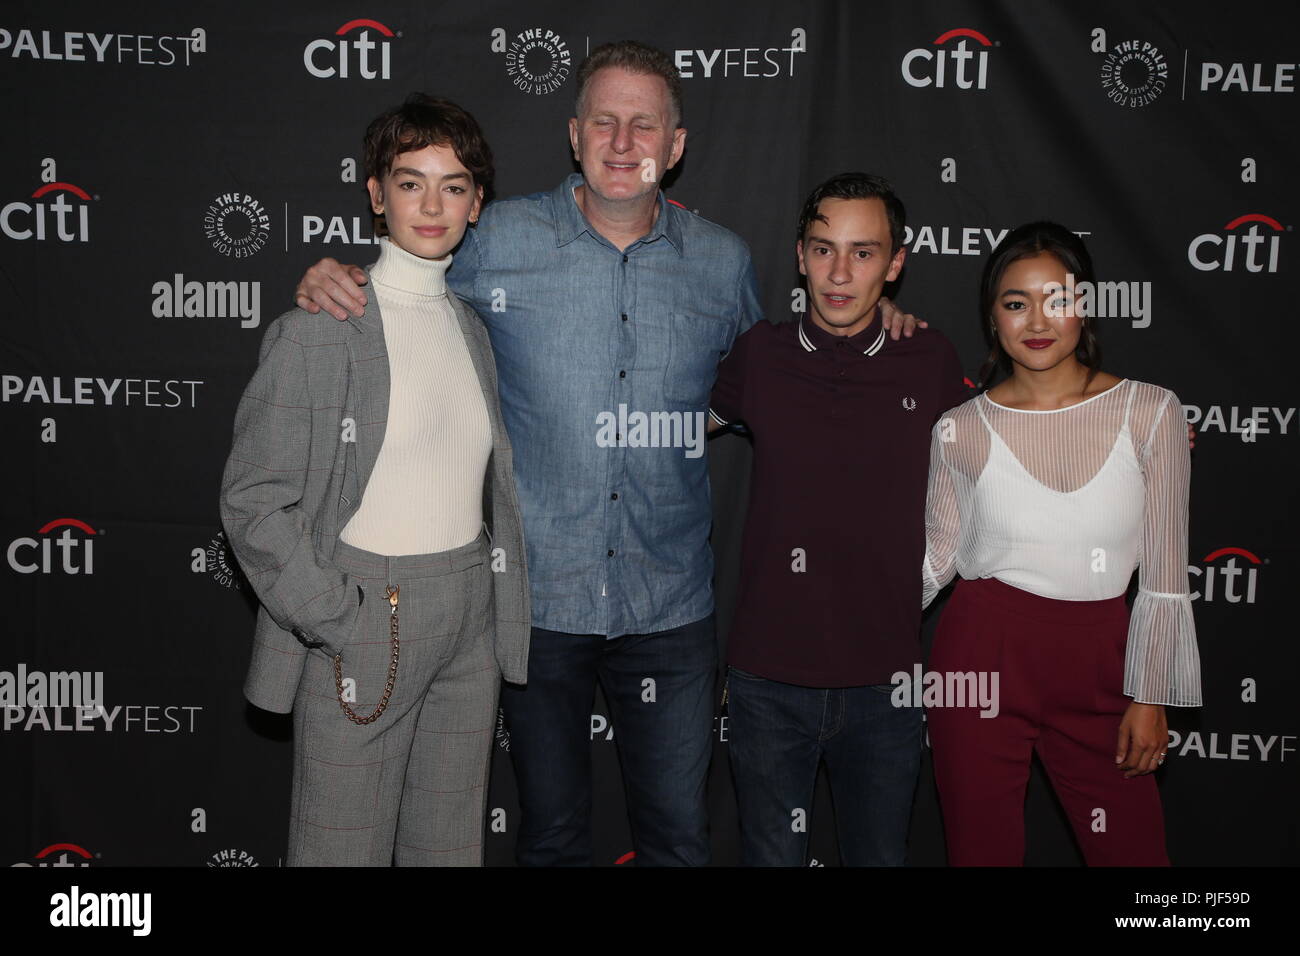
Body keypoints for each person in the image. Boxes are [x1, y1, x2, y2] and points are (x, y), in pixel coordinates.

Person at [292, 42, 921, 867]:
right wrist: (332, 279)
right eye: (605, 123)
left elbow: (777, 370)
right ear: (574, 134)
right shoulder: (498, 238)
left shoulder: (721, 262)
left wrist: (891, 328)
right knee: (550, 836)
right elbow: (408, 282)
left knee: (677, 836)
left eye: (644, 125)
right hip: (537, 601)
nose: (624, 144)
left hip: (670, 607)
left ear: (677, 144)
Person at [220, 93, 529, 866]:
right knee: (339, 851)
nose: (432, 203)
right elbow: (253, 500)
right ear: (375, 193)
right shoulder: (318, 328)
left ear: (477, 202)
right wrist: (333, 615)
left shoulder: (472, 330)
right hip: (366, 612)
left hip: (470, 617)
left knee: (448, 850)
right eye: (410, 180)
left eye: (454, 185)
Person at [921, 221, 1202, 866]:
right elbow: (935, 560)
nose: (1037, 320)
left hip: (1104, 659)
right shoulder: (959, 429)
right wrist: (836, 635)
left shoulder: (1152, 412)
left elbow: (1164, 571)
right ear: (993, 318)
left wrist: (1150, 691)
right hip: (979, 657)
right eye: (1016, 302)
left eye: (1059, 299)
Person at [708, 173, 968, 865]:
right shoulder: (759, 356)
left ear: (896, 262)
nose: (840, 273)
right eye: (824, 250)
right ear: (799, 255)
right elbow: (672, 424)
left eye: (863, 252)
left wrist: (1143, 437)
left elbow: (1016, 431)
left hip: (887, 682)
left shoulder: (930, 360)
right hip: (766, 681)